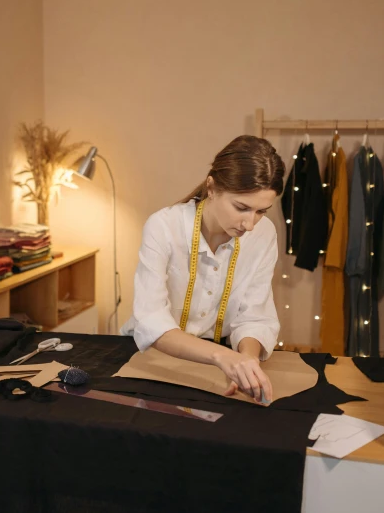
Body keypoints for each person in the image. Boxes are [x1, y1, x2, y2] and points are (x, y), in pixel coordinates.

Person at [120, 135, 285, 404]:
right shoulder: (163, 226)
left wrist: (247, 361)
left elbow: (255, 316)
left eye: (261, 211)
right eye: (241, 208)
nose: (250, 224)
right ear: (212, 187)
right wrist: (225, 358)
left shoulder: (264, 234)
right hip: (152, 357)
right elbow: (150, 319)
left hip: (220, 361)